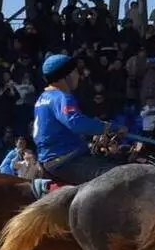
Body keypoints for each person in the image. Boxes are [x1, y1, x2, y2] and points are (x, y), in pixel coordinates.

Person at [33, 54, 124, 185]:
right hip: (67, 160)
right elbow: (76, 123)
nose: (79, 76)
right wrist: (111, 127)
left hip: (50, 159)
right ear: (65, 76)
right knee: (120, 178)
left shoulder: (43, 97)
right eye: (76, 72)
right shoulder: (62, 96)